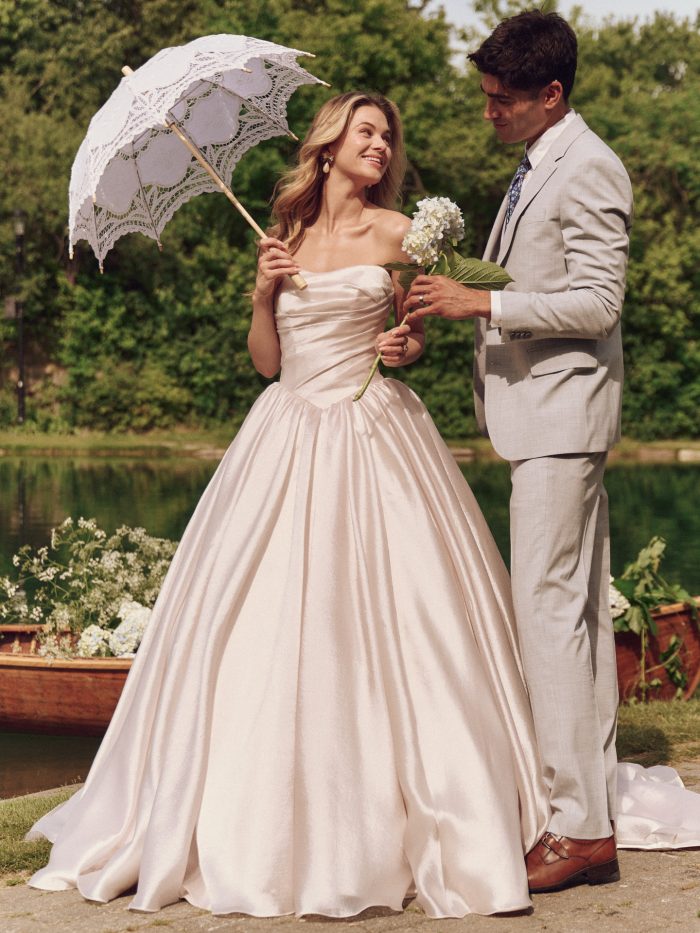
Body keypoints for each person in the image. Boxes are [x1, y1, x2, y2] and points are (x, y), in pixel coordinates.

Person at [26, 91, 550, 919]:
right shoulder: (283, 240)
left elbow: (415, 337)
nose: (379, 145)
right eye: (366, 132)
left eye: (387, 135)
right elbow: (266, 363)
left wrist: (402, 343)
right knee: (262, 621)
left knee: (409, 617)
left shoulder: (402, 232)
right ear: (331, 144)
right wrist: (265, 295)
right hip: (285, 432)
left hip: (378, 432)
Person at [404, 11, 632, 893]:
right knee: (570, 617)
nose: (489, 112)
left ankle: (578, 831)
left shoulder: (592, 167)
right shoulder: (538, 163)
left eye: (502, 101)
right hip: (544, 422)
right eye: (487, 97)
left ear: (552, 95)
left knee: (546, 616)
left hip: (561, 423)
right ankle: (590, 809)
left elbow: (599, 303)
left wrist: (485, 307)